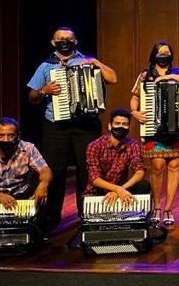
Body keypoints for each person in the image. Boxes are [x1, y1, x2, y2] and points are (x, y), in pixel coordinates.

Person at [27, 26, 117, 231]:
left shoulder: (86, 61)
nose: (64, 42)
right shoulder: (45, 66)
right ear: (53, 42)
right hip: (56, 126)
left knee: (87, 170)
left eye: (68, 39)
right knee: (55, 171)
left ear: (75, 41)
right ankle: (51, 216)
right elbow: (32, 98)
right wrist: (44, 91)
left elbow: (113, 78)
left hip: (86, 124)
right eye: (60, 39)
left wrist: (95, 62)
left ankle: (86, 213)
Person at [128, 40, 179, 227]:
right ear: (154, 55)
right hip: (154, 129)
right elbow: (135, 96)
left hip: (177, 130)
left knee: (175, 166)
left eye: (167, 52)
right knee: (158, 166)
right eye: (160, 52)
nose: (164, 55)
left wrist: (175, 79)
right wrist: (135, 112)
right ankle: (156, 206)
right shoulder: (145, 75)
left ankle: (168, 208)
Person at [0, 118, 52, 212]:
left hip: (23, 199)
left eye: (11, 135)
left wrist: (43, 185)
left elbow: (45, 170)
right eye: (1, 135)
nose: (6, 140)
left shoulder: (28, 148)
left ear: (18, 135)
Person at [84, 109, 149, 205]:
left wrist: (121, 189)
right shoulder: (95, 146)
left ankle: (137, 215)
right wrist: (116, 189)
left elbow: (140, 171)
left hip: (122, 188)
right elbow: (95, 179)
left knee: (143, 185)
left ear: (129, 127)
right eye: (117, 123)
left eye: (125, 124)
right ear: (110, 126)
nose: (121, 127)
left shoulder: (132, 144)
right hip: (98, 192)